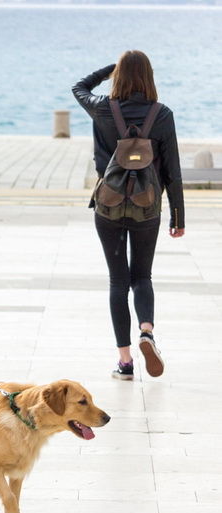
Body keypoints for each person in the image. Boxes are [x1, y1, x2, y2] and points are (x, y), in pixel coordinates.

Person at [73, 50, 185, 381]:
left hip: (108, 206)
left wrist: (111, 69)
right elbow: (174, 172)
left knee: (117, 280)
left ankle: (125, 362)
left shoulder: (103, 109)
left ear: (119, 77)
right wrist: (177, 217)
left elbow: (79, 87)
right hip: (146, 206)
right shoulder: (161, 115)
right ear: (149, 77)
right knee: (142, 277)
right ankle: (147, 332)